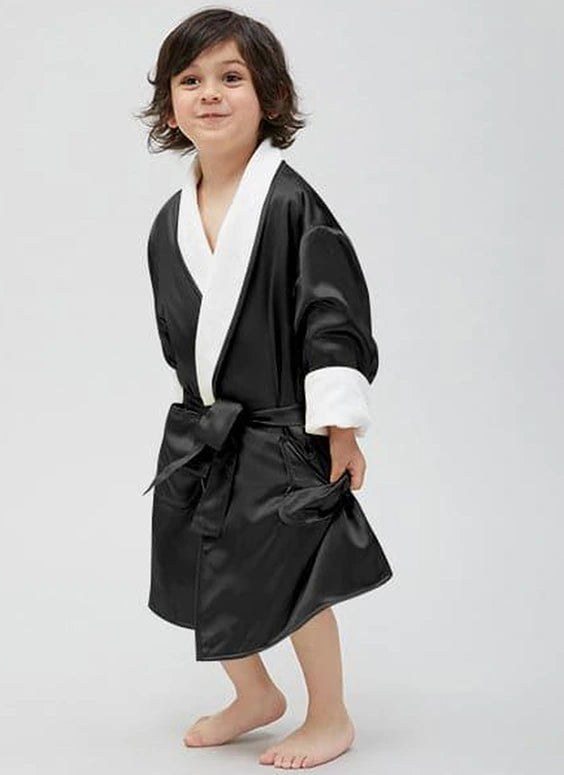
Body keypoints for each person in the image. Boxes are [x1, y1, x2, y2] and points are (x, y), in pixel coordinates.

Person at [135, 7, 393, 770]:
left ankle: (331, 714)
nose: (210, 94)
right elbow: (179, 333)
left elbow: (332, 314)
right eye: (190, 81)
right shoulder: (168, 223)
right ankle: (254, 693)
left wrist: (339, 424)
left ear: (271, 97)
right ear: (169, 105)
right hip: (207, 427)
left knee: (298, 571)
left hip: (283, 428)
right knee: (194, 560)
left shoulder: (291, 205)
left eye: (231, 77)